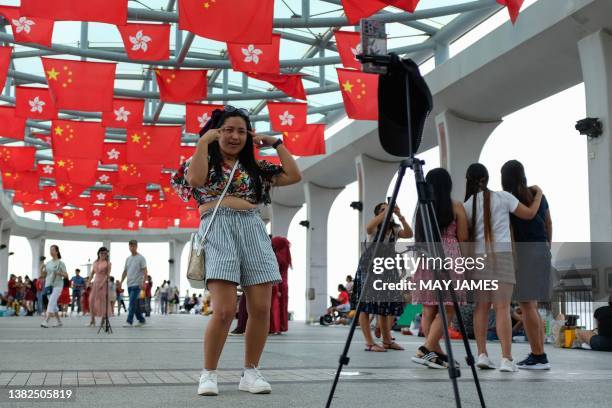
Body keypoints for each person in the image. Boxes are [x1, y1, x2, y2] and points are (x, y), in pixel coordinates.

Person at [171, 105, 301, 396]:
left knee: (260, 308)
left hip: (253, 228)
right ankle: (209, 373)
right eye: (228, 129)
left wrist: (276, 143)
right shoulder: (200, 159)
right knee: (225, 310)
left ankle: (251, 372)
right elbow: (195, 181)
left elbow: (293, 175)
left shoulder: (256, 168)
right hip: (217, 228)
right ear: (217, 131)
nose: (234, 136)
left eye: (241, 131)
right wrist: (203, 142)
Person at [463, 163, 543, 372]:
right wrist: (538, 196)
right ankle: (506, 359)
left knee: (481, 308)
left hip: (478, 258)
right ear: (488, 179)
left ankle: (482, 354)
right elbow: (529, 214)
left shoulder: (468, 204)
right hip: (503, 256)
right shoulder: (504, 198)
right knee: (501, 308)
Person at [411, 168, 469, 369]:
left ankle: (436, 353)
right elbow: (463, 238)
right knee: (449, 308)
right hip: (449, 257)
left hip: (427, 256)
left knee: (429, 310)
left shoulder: (422, 208)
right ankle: (425, 350)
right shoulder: (456, 206)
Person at [501, 160, 553, 369]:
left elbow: (511, 232)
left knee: (527, 305)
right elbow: (549, 222)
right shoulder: (537, 195)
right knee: (533, 306)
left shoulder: (509, 199)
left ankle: (538, 355)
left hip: (524, 254)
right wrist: (546, 246)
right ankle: (538, 353)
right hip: (541, 250)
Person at [353, 202, 413, 352]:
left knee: (386, 304)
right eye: (381, 209)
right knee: (366, 305)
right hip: (370, 266)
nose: (387, 211)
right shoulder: (374, 228)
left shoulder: (394, 228)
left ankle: (387, 340)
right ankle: (369, 342)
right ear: (377, 214)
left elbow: (409, 234)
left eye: (388, 208)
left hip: (387, 266)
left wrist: (400, 216)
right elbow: (368, 227)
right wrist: (385, 213)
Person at [120, 240, 148, 327]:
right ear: (129, 247)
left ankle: (129, 321)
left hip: (137, 284)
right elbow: (125, 271)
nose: (132, 248)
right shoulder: (128, 259)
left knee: (131, 303)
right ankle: (141, 319)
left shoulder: (141, 258)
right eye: (130, 246)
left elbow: (145, 271)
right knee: (134, 305)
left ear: (136, 246)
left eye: (134, 246)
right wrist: (121, 282)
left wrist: (144, 282)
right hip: (129, 284)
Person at [40, 245, 68, 328]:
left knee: (51, 302)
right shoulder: (48, 263)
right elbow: (43, 275)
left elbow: (66, 275)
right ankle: (59, 321)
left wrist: (59, 273)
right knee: (54, 304)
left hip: (58, 285)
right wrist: (41, 269)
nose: (51, 251)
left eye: (53, 250)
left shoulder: (60, 263)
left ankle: (46, 320)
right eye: (50, 250)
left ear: (57, 252)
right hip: (48, 285)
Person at [272, 236, 292, 333]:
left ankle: (277, 326)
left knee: (276, 306)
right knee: (283, 306)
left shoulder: (278, 256)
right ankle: (282, 326)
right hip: (284, 284)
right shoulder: (286, 255)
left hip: (278, 283)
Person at [88, 247, 112, 327]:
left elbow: (107, 275)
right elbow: (92, 273)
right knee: (91, 300)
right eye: (102, 253)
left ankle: (103, 320)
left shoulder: (108, 263)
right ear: (98, 253)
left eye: (105, 253)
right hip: (95, 283)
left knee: (102, 302)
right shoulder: (95, 262)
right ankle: (92, 320)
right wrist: (88, 281)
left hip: (103, 284)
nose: (103, 255)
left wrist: (102, 283)